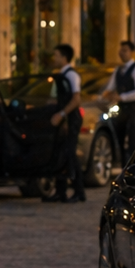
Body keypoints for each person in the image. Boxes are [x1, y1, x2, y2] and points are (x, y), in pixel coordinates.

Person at [44, 43, 84, 203]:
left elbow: (76, 99)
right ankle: (60, 191)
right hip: (61, 120)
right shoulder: (60, 75)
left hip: (70, 119)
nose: (54, 59)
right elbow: (54, 98)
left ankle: (79, 191)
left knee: (70, 154)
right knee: (59, 154)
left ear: (64, 57)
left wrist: (62, 114)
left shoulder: (72, 75)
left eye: (56, 55)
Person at [99, 40, 135, 168]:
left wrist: (121, 96)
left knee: (133, 141)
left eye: (125, 50)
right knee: (119, 139)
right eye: (121, 50)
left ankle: (134, 171)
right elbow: (110, 87)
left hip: (134, 109)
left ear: (132, 53)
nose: (122, 53)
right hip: (121, 110)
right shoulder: (118, 70)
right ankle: (123, 169)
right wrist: (106, 95)